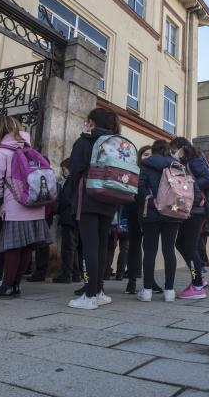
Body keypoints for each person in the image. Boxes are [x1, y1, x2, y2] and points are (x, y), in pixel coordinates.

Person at [0, 116, 49, 298]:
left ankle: (6, 285)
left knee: (13, 247)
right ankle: (16, 285)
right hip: (36, 204)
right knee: (26, 247)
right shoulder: (29, 149)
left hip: (15, 205)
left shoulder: (0, 152)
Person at [66, 107, 120, 309]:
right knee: (101, 245)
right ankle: (99, 291)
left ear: (91, 123)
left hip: (88, 196)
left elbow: (76, 169)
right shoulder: (115, 142)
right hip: (110, 197)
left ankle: (89, 296)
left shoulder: (84, 141)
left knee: (89, 245)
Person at [137, 139, 182, 302]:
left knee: (149, 251)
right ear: (167, 150)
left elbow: (140, 187)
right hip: (173, 212)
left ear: (154, 150)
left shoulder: (147, 163)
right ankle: (169, 291)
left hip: (152, 212)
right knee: (169, 250)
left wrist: (150, 201)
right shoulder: (176, 164)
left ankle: (147, 291)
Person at [171, 137, 209, 300]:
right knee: (183, 244)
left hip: (197, 210)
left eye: (174, 150)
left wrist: (188, 185)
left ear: (181, 147)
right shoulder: (189, 161)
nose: (173, 153)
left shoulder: (194, 160)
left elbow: (207, 179)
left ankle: (197, 285)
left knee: (188, 245)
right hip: (191, 209)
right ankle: (199, 278)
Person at [124, 145, 163, 295]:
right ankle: (131, 282)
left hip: (150, 214)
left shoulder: (157, 173)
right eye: (145, 154)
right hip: (134, 212)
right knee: (134, 247)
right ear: (140, 157)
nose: (148, 157)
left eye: (150, 155)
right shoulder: (134, 170)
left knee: (149, 249)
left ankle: (150, 282)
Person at [53, 158, 80, 283]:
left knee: (68, 247)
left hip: (68, 217)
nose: (62, 172)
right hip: (75, 217)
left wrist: (57, 209)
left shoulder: (70, 180)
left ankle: (66, 274)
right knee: (73, 247)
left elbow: (65, 200)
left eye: (63, 169)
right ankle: (75, 274)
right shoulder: (77, 180)